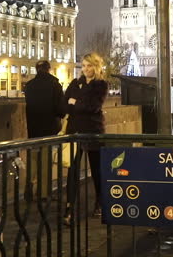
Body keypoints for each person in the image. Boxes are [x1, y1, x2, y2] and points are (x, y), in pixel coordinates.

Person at [63, 52, 108, 224]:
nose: (86, 69)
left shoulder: (101, 84)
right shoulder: (76, 83)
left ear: (96, 67)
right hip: (75, 131)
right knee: (72, 171)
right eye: (83, 66)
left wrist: (76, 103)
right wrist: (78, 105)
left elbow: (94, 107)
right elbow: (64, 103)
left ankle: (100, 201)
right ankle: (69, 207)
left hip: (93, 132)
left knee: (96, 170)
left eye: (89, 66)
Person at [23, 60, 66, 199]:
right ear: (49, 69)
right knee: (46, 161)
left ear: (36, 70)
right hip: (49, 128)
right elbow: (60, 109)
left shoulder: (29, 86)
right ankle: (43, 193)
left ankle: (29, 185)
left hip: (33, 128)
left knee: (33, 158)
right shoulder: (54, 85)